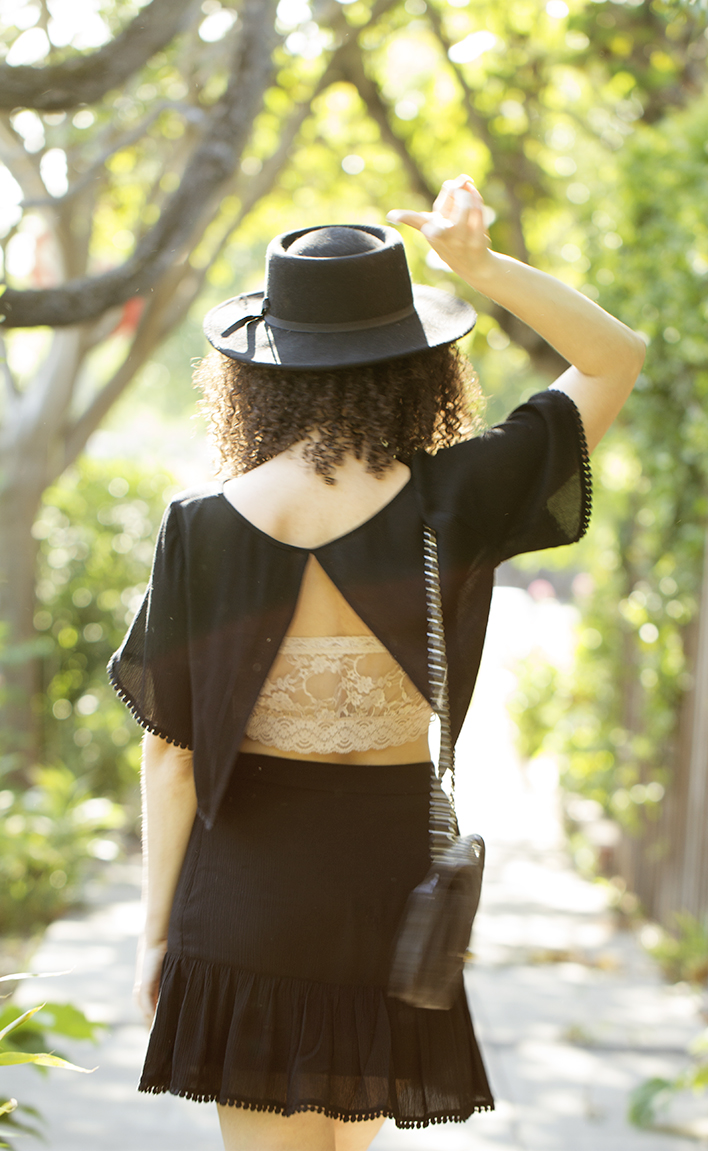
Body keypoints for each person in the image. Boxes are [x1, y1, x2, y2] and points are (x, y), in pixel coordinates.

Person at [109, 175, 645, 1151]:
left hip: (246, 895)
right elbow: (614, 356)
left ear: (257, 374)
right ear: (417, 366)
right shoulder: (457, 494)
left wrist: (154, 934)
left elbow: (171, 755)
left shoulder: (201, 524)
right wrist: (479, 266)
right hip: (386, 896)